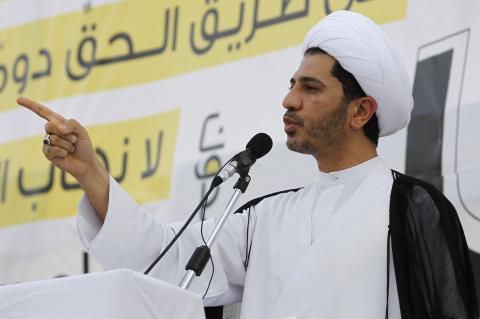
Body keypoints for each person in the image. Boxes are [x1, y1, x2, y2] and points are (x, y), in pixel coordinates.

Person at [18, 10, 477, 319]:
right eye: (292, 83)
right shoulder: (266, 217)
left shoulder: (412, 207)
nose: (289, 99)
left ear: (360, 111)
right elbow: (168, 263)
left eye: (311, 89)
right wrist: (91, 173)